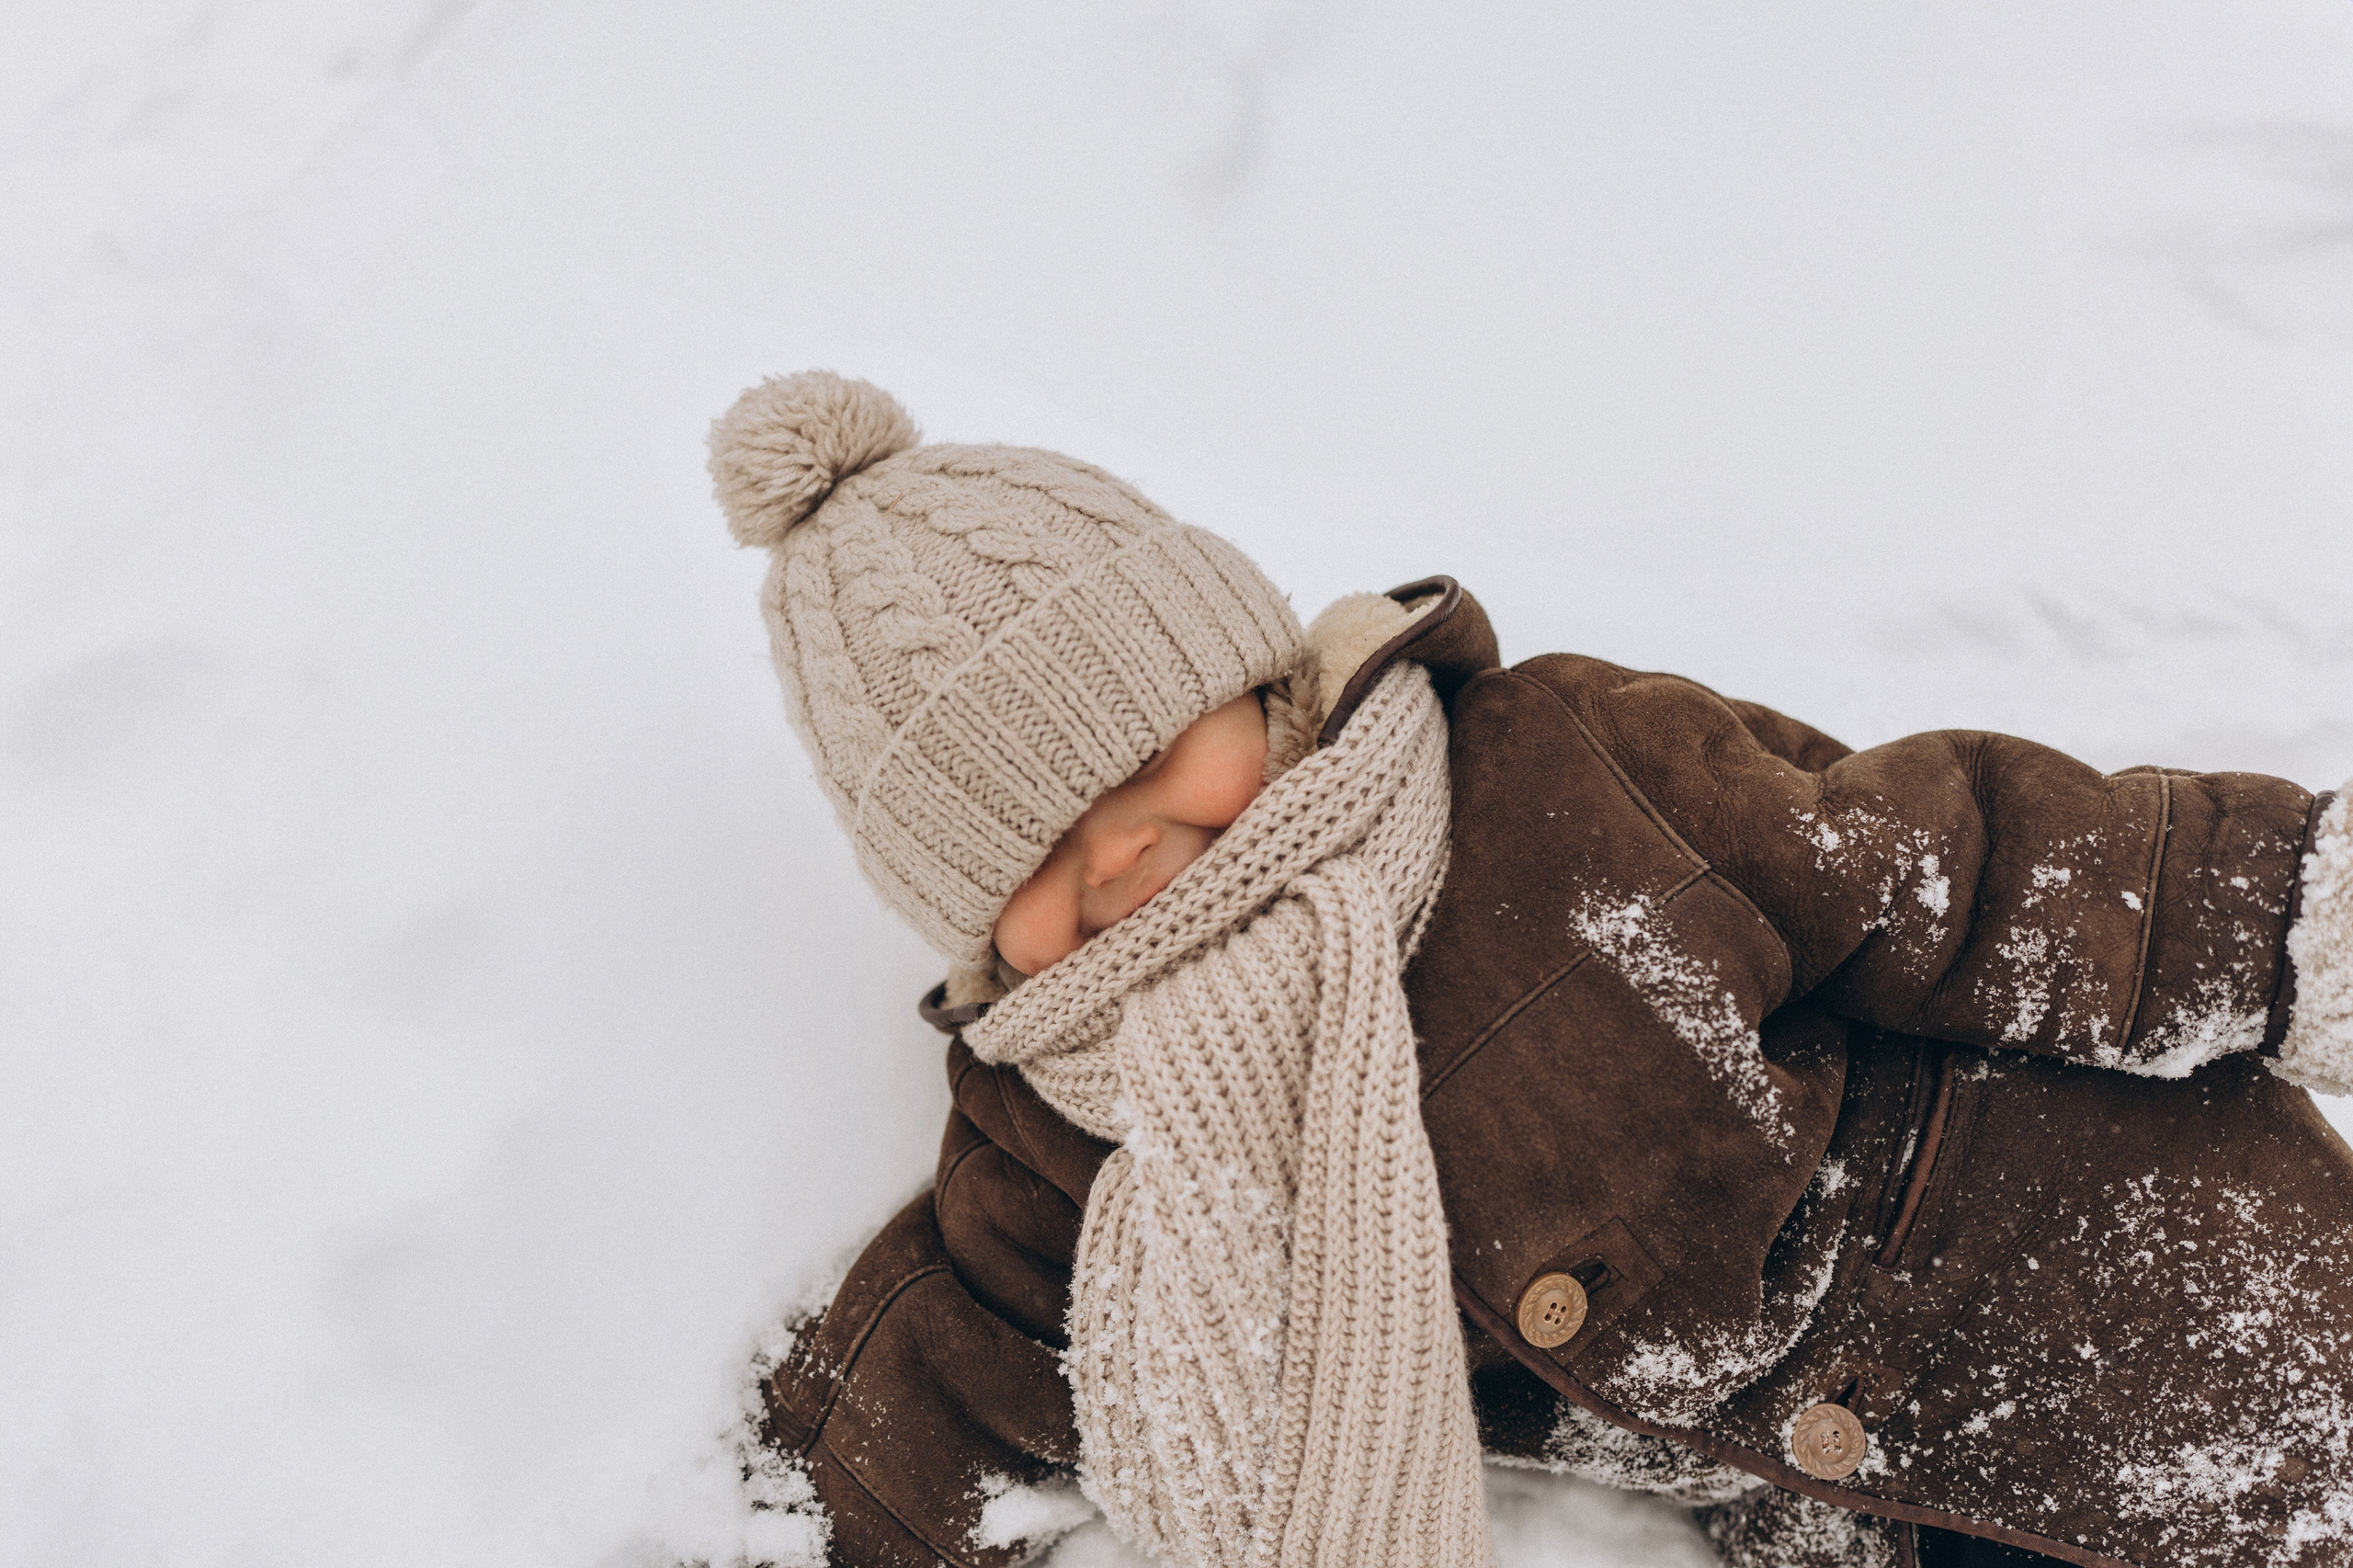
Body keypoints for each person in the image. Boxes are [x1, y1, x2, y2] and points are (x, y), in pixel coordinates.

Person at [707, 369, 2353, 1568]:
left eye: (1145, 760)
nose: (1123, 851)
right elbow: (948, 1371)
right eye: (1033, 855)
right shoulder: (1070, 1132)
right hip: (1888, 1510)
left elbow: (1957, 864)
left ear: (1255, 679)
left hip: (2156, 1273)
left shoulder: (1556, 778)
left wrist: (2292, 914)